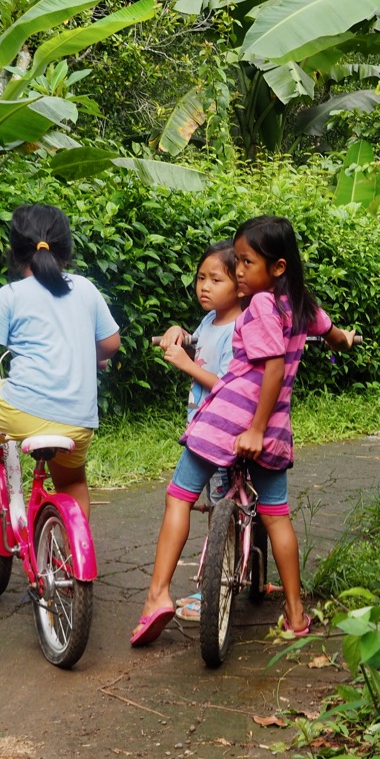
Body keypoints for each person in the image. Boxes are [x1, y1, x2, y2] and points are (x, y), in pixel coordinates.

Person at [133, 215, 357, 647]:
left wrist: (253, 429)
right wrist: (344, 339)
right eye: (236, 261)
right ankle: (295, 614)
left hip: (229, 419)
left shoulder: (260, 307)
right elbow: (330, 333)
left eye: (246, 262)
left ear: (277, 267)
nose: (238, 271)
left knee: (179, 495)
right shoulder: (303, 306)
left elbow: (272, 366)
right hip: (276, 428)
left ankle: (157, 595)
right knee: (276, 514)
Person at [0, 203, 120, 520]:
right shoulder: (85, 288)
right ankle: (76, 546)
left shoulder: (11, 295)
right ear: (66, 249)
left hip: (25, 408)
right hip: (80, 420)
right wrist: (87, 354)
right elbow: (110, 345)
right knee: (72, 483)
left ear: (15, 252)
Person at [152, 241, 241, 623]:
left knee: (221, 508)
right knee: (216, 507)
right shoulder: (210, 321)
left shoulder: (239, 328)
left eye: (215, 279)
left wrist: (187, 365)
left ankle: (217, 589)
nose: (204, 286)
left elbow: (228, 384)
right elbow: (193, 338)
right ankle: (220, 582)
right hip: (201, 428)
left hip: (222, 430)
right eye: (201, 278)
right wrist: (178, 331)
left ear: (240, 284)